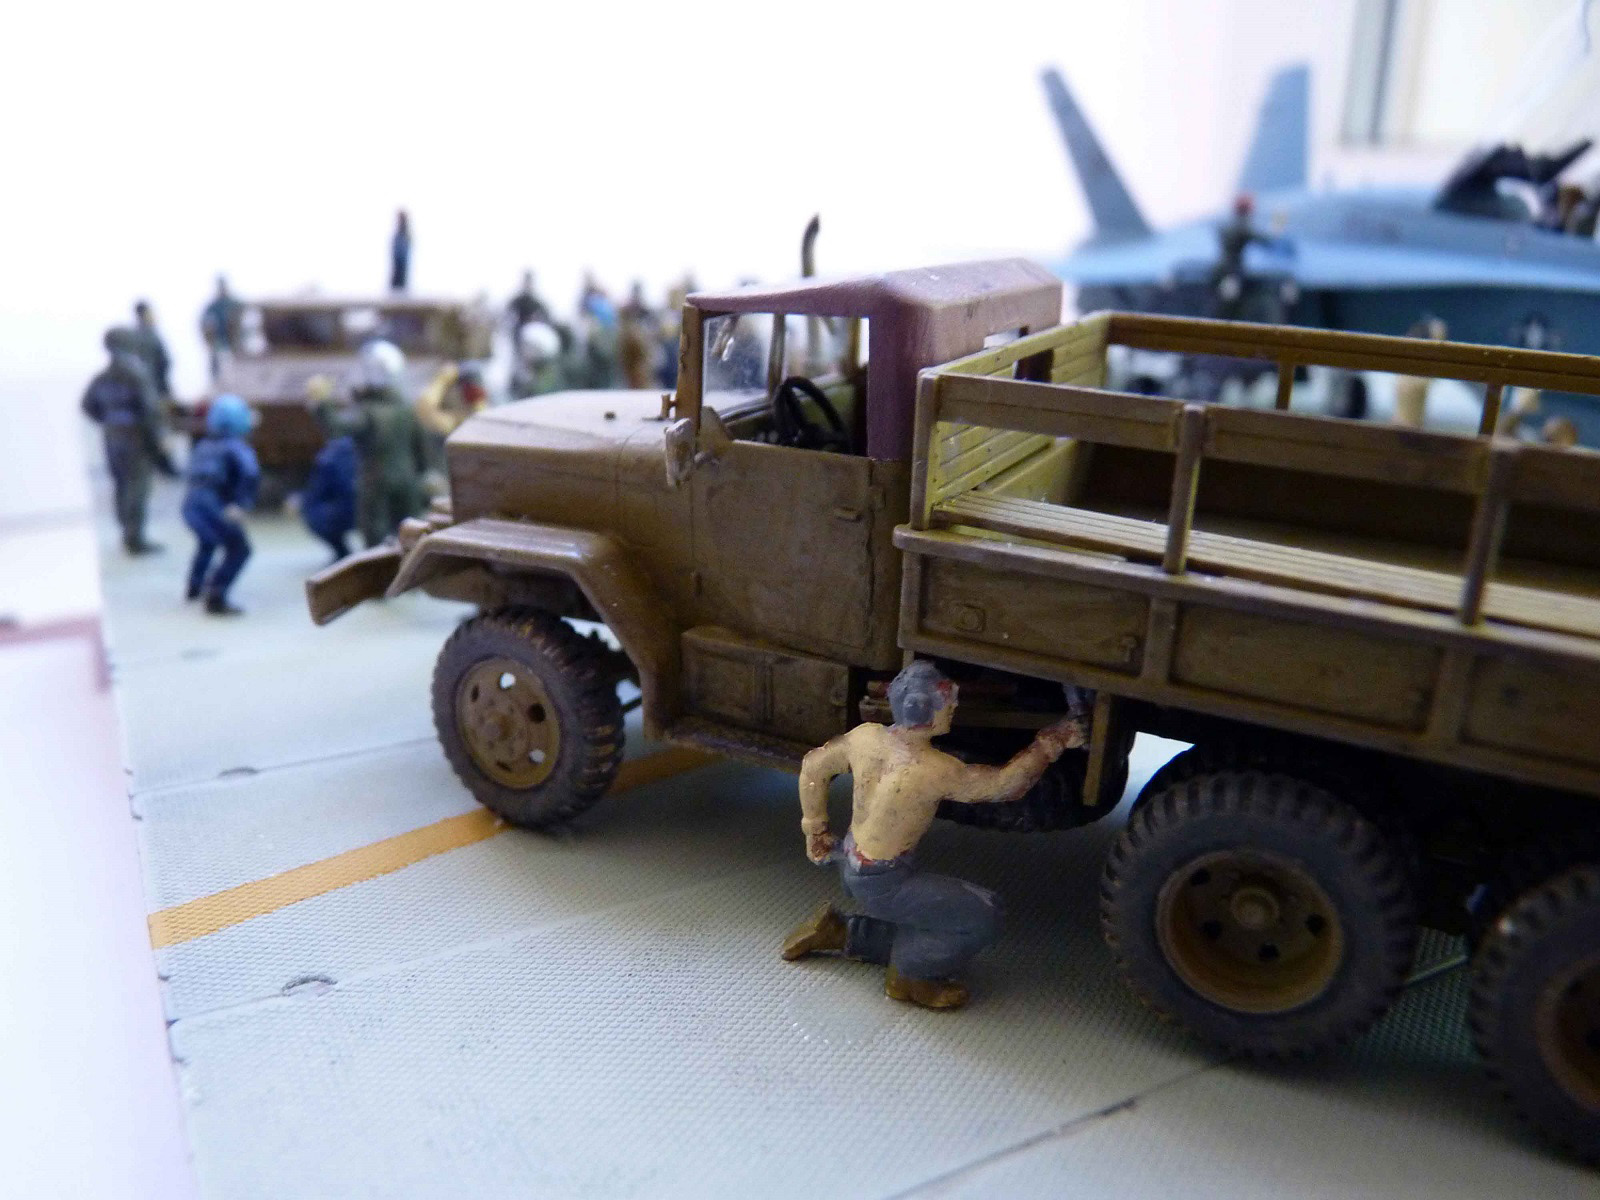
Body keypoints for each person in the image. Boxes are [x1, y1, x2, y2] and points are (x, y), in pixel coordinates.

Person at [782, 660, 1084, 1009]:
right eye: (947, 704)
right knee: (983, 915)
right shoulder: (933, 769)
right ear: (923, 710)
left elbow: (813, 766)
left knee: (934, 914)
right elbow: (1004, 786)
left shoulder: (865, 737)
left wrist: (815, 829)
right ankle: (911, 976)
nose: (954, 707)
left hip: (852, 860)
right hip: (884, 879)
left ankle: (841, 931)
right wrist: (1049, 745)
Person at [81, 327, 178, 554]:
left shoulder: (102, 376)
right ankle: (135, 537)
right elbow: (150, 409)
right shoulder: (137, 373)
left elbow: (87, 405)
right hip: (135, 437)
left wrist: (109, 420)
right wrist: (160, 437)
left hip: (113, 435)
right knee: (137, 486)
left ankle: (127, 531)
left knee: (121, 484)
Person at [325, 339, 427, 547]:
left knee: (375, 534)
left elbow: (337, 427)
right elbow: (421, 449)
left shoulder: (367, 411)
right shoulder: (406, 409)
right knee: (411, 534)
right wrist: (423, 473)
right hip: (407, 477)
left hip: (375, 479)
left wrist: (323, 404)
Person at [182, 393, 259, 615]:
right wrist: (240, 504)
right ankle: (216, 595)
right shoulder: (236, 447)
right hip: (213, 506)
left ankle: (194, 586)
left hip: (191, 504)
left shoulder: (203, 445)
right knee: (239, 549)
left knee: (207, 541)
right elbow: (250, 473)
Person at [199, 276, 242, 382]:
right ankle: (216, 382)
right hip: (219, 343)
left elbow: (244, 320)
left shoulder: (235, 304)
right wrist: (209, 341)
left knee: (238, 367)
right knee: (216, 366)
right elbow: (204, 324)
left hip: (235, 343)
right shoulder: (213, 307)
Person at [131, 300, 173, 403]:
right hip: (156, 385)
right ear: (144, 314)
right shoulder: (147, 335)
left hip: (154, 383)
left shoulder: (140, 334)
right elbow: (160, 361)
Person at [506, 270, 551, 351]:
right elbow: (508, 314)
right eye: (526, 282)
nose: (528, 284)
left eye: (529, 282)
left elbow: (546, 316)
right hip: (519, 332)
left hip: (533, 333)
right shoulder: (517, 300)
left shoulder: (537, 302)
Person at [390, 210, 412, 292]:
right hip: (397, 264)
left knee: (400, 280)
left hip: (402, 264)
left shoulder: (405, 235)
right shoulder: (399, 235)